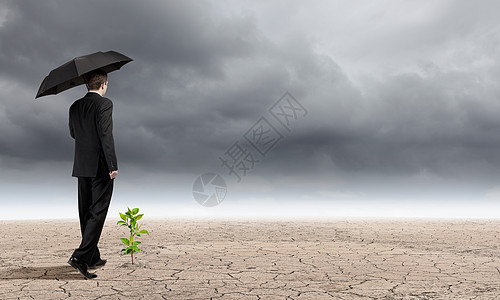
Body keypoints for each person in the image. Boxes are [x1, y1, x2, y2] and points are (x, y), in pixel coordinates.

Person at [67, 69, 118, 279]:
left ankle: (92, 256)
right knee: (98, 211)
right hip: (100, 166)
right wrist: (112, 164)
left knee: (85, 212)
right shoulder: (104, 104)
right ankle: (80, 257)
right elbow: (106, 134)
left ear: (87, 85)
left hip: (81, 165)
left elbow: (73, 133)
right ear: (104, 84)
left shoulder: (74, 106)